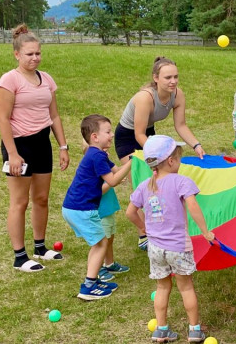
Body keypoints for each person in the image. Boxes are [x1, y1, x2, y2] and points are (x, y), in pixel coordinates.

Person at [126, 135, 215, 343]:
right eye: (179, 158)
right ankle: (194, 330)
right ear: (171, 161)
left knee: (162, 287)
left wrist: (144, 228)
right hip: (178, 246)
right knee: (186, 287)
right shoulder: (181, 181)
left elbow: (130, 212)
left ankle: (161, 329)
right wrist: (205, 232)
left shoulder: (145, 186)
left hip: (155, 248)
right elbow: (193, 207)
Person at [0, 24, 69, 272]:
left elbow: (54, 115)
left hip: (42, 143)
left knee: (41, 198)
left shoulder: (46, 79)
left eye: (38, 53)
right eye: (29, 54)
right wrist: (13, 154)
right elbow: (2, 119)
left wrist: (63, 146)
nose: (35, 58)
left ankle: (40, 247)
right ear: (17, 54)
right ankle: (20, 257)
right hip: (19, 145)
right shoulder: (9, 80)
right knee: (20, 202)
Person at [115, 56, 205, 250]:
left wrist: (196, 145)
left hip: (149, 135)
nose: (173, 81)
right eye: (168, 77)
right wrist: (158, 155)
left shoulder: (177, 95)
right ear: (156, 78)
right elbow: (138, 134)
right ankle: (143, 235)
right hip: (128, 137)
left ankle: (160, 228)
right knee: (143, 183)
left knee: (159, 183)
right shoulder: (145, 97)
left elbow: (181, 125)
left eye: (176, 77)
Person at [62, 115, 132, 300]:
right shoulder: (97, 156)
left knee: (98, 243)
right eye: (108, 132)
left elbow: (116, 172)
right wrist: (131, 162)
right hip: (82, 209)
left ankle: (93, 281)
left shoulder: (98, 154)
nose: (112, 135)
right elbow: (113, 180)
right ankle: (88, 287)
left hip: (74, 207)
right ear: (94, 137)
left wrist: (132, 163)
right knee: (101, 244)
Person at [79, 139, 130, 282]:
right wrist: (113, 181)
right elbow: (98, 190)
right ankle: (98, 268)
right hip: (99, 212)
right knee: (101, 242)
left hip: (108, 210)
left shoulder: (104, 165)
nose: (106, 154)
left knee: (110, 238)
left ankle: (109, 263)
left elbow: (117, 172)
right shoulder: (93, 169)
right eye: (103, 151)